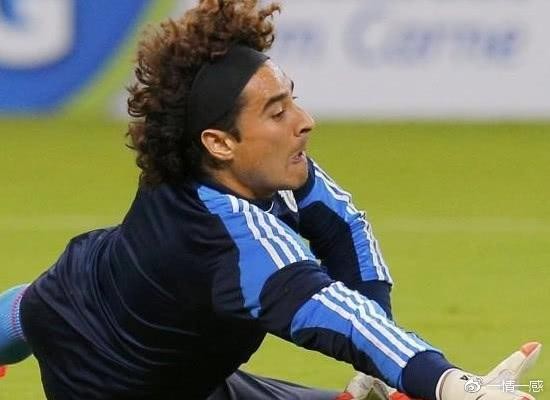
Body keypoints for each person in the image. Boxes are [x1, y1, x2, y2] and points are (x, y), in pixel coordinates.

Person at [0, 1, 542, 399]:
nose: (305, 121)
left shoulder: (247, 166)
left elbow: (343, 227)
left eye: (293, 100)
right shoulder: (230, 239)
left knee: (34, 308)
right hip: (108, 381)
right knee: (38, 312)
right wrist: (451, 384)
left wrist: (383, 363)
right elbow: (334, 313)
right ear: (220, 142)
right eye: (277, 112)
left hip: (153, 349)